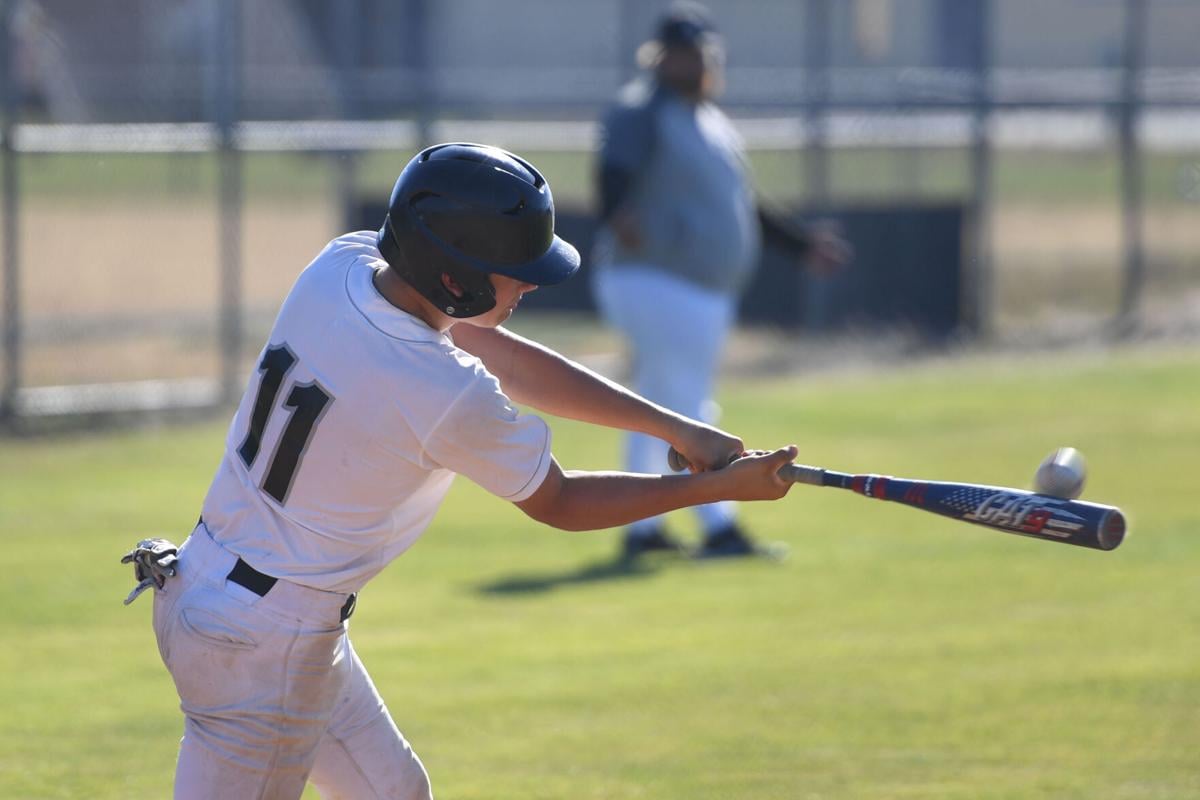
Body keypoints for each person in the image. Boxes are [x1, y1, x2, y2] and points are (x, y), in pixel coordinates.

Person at [123, 142, 801, 800]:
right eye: (517, 267)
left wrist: (675, 428)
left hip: (217, 586)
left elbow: (503, 355)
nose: (532, 281)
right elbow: (559, 501)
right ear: (455, 278)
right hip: (263, 644)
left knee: (394, 792)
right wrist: (714, 489)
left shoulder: (346, 262)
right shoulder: (442, 389)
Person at [592, 1, 850, 561]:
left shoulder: (709, 123)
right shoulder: (644, 110)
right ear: (659, 58)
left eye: (698, 54)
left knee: (655, 404)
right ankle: (718, 527)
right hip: (655, 276)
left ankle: (641, 527)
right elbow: (613, 173)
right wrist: (618, 212)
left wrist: (802, 245)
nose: (690, 64)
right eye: (678, 54)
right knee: (686, 404)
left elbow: (742, 205)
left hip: (690, 284)